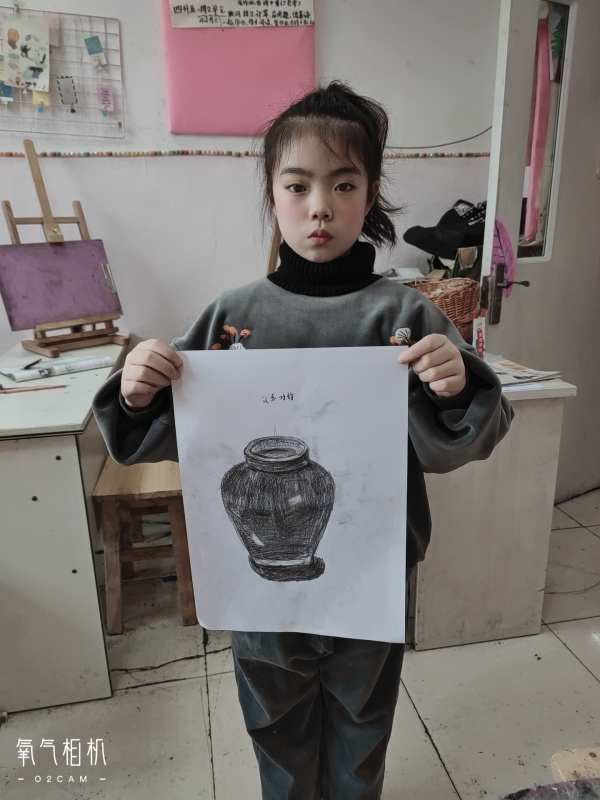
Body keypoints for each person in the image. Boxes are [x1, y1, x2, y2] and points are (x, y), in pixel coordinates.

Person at [93, 81, 513, 800]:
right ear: (273, 193)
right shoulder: (231, 317)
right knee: (276, 722)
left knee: (362, 720)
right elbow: (165, 438)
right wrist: (137, 390)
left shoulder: (406, 317)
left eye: (344, 184)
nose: (320, 206)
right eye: (298, 185)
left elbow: (464, 441)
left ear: (370, 194)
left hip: (371, 569)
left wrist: (454, 387)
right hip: (254, 588)